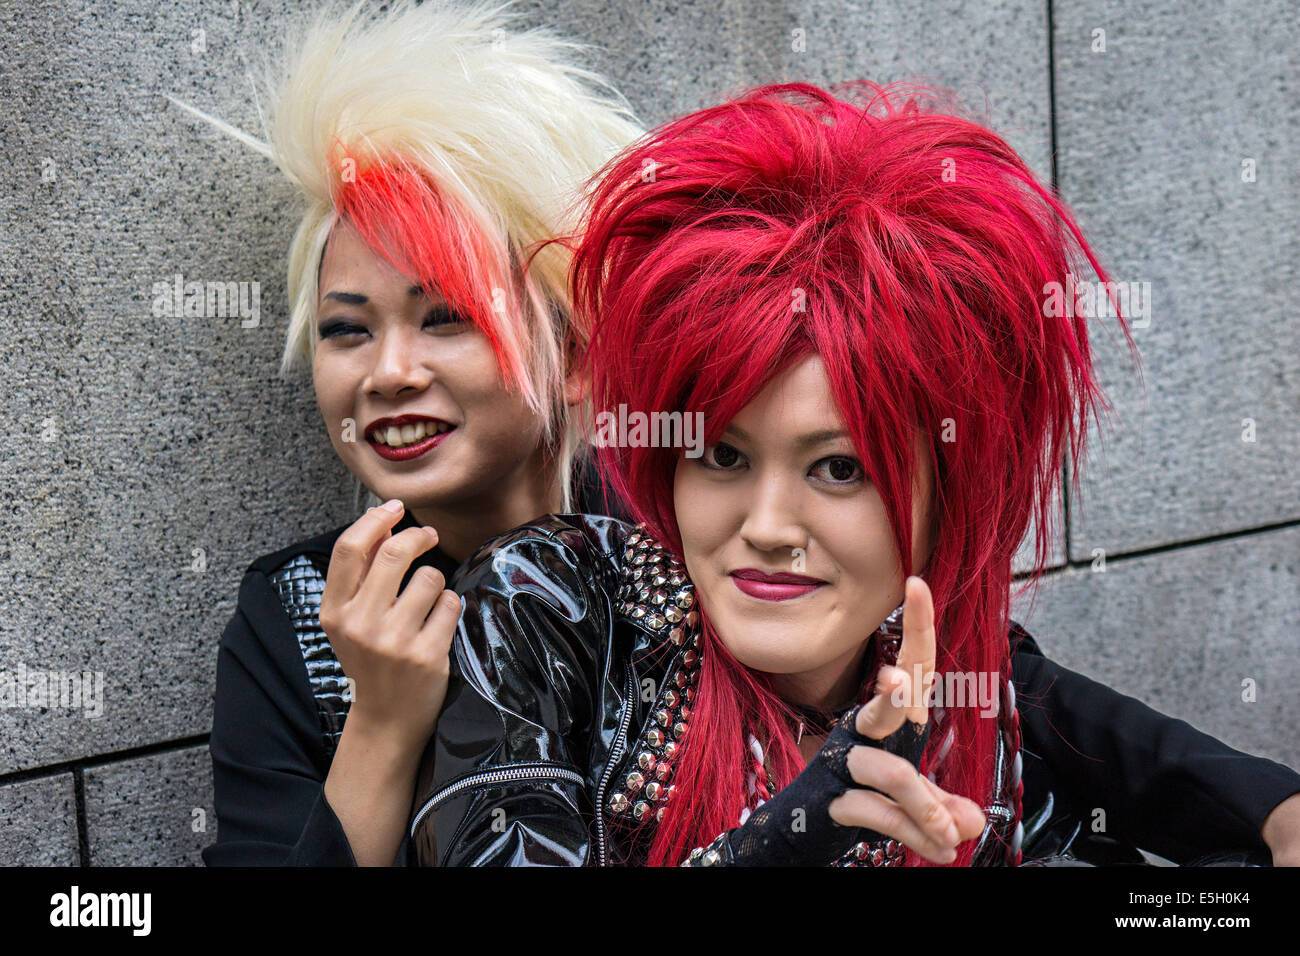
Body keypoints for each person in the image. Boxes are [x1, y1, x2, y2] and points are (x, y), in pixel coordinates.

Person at [409, 80, 1300, 866]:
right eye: (722, 455)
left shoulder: (962, 690)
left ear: (949, 499)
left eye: (839, 469)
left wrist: (1276, 811)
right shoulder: (552, 607)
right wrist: (798, 830)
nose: (766, 523)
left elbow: (1138, 763)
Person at [173, 0, 641, 865]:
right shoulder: (292, 617)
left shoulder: (682, 547)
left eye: (447, 318)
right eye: (347, 329)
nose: (388, 372)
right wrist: (383, 724)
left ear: (574, 354)